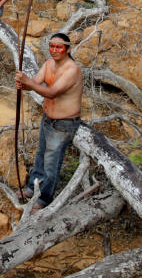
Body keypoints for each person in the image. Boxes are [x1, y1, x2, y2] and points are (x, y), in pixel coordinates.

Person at [14, 33, 83, 214]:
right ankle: (32, 188)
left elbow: (52, 92)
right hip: (48, 120)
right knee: (40, 156)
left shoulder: (72, 70)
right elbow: (35, 83)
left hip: (64, 124)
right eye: (52, 46)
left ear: (68, 49)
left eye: (59, 47)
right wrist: (23, 83)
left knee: (52, 163)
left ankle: (45, 198)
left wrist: (28, 82)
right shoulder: (49, 64)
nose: (54, 50)